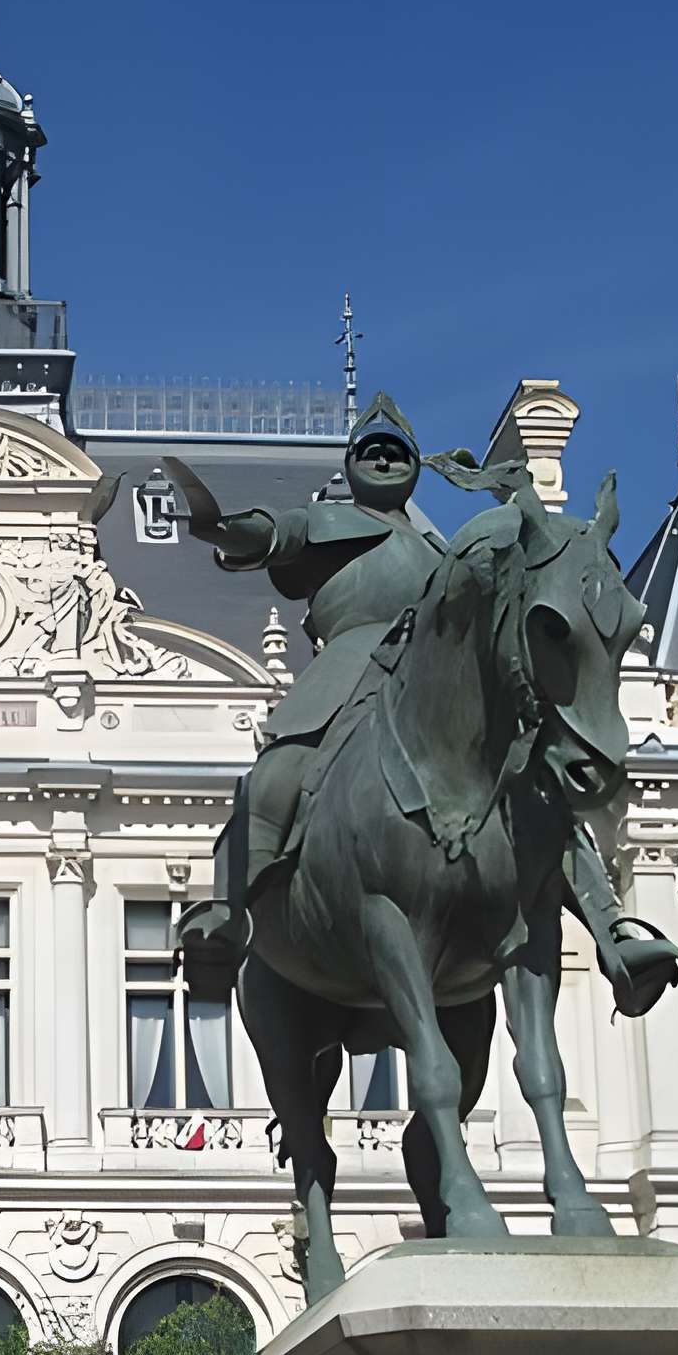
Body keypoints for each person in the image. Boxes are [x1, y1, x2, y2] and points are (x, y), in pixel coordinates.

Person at [171, 396, 454, 994]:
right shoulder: (325, 520)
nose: (383, 458)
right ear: (351, 464)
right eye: (370, 450)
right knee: (278, 772)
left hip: (434, 675)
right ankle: (230, 910)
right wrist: (222, 527)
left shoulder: (440, 549)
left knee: (526, 774)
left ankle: (611, 924)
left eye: (395, 451)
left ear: (416, 465)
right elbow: (271, 534)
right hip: (351, 660)